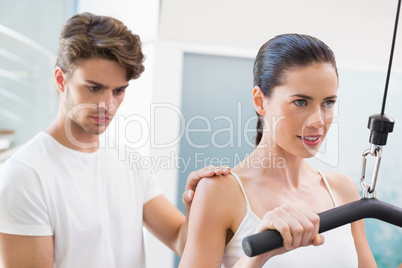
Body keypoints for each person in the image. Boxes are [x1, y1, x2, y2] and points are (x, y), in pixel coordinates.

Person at [0, 12, 230, 267]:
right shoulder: (24, 174)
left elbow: (180, 240)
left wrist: (197, 206)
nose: (107, 105)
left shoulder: (130, 162)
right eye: (94, 88)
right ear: (60, 80)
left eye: (118, 91)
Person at [179, 34, 377, 267]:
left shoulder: (343, 190)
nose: (319, 122)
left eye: (328, 103)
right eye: (301, 102)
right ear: (260, 101)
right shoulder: (218, 192)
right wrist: (258, 256)